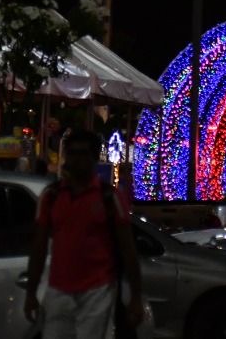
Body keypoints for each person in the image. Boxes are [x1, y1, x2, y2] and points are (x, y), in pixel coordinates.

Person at [25, 127, 143, 339]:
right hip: (58, 289)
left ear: (94, 158)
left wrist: (135, 296)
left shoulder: (109, 197)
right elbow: (39, 247)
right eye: (73, 153)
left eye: (83, 153)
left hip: (98, 290)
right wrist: (31, 292)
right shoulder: (51, 197)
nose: (77, 159)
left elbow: (128, 248)